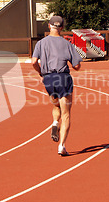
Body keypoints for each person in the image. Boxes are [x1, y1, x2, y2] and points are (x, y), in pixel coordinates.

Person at [31, 16, 82, 156]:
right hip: (63, 78)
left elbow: (34, 61)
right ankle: (62, 146)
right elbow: (77, 66)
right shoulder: (67, 44)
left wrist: (41, 72)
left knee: (56, 105)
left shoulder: (41, 43)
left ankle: (54, 123)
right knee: (66, 114)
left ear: (49, 26)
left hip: (48, 79)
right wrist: (75, 65)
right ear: (62, 27)